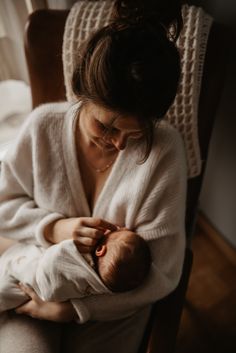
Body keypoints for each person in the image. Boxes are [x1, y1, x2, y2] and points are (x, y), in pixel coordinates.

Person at [0, 0, 187, 352]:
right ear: (79, 94)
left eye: (134, 134)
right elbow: (4, 205)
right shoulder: (43, 127)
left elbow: (163, 274)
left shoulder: (165, 153)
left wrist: (74, 310)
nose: (117, 144)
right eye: (104, 126)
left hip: (113, 308)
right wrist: (53, 228)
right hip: (32, 278)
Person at [0, 229, 151, 313]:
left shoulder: (73, 257)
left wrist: (74, 245)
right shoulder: (101, 287)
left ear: (100, 250)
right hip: (28, 288)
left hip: (29, 280)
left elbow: (55, 260)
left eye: (115, 232)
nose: (119, 228)